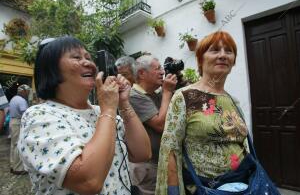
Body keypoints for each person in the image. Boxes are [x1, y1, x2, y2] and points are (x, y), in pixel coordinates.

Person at [17, 36, 151, 195]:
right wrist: (108, 110)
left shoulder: (100, 112)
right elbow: (89, 182)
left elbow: (143, 153)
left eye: (88, 57)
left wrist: (124, 104)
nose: (88, 63)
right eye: (76, 57)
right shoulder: (39, 116)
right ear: (52, 69)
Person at [156, 31, 252, 195]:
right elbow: (170, 151)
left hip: (244, 186)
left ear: (233, 60)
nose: (222, 55)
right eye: (215, 50)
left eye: (228, 51)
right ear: (201, 59)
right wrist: (173, 192)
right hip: (205, 189)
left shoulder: (233, 101)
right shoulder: (184, 97)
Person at [129, 55, 177, 195]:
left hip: (161, 163)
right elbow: (161, 125)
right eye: (157, 69)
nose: (162, 72)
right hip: (147, 168)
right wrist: (167, 91)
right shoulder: (134, 96)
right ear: (142, 74)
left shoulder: (153, 94)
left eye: (162, 68)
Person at [9, 83, 31, 174]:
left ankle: (12, 165)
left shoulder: (14, 98)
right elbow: (25, 114)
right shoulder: (22, 100)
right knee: (18, 145)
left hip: (12, 121)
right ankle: (18, 169)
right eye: (27, 92)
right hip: (18, 123)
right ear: (23, 91)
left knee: (13, 145)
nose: (28, 94)